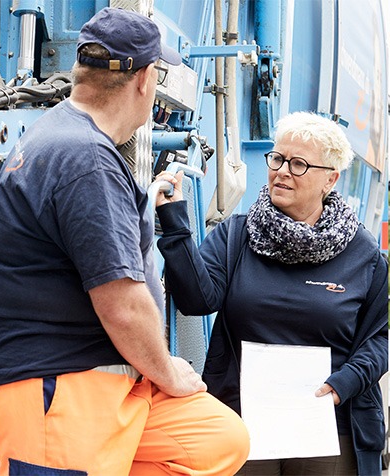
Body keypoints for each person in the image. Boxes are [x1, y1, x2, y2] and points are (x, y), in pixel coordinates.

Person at [0, 7, 250, 475]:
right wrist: (168, 371)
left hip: (97, 379)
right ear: (145, 80)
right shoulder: (85, 158)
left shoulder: (59, 137)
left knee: (217, 441)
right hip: (55, 382)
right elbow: (122, 305)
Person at [155, 111, 388, 475]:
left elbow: (380, 338)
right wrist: (175, 223)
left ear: (330, 179)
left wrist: (347, 382)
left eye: (298, 164)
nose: (282, 171)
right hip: (244, 422)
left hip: (328, 425)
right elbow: (196, 299)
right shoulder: (237, 236)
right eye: (277, 159)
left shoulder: (364, 254)